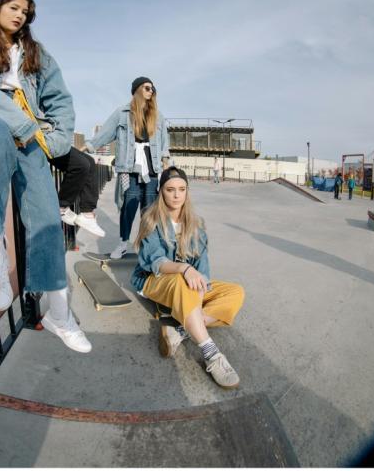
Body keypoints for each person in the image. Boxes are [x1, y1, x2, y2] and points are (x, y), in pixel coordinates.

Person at [0, 0, 91, 353]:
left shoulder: (39, 57)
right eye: (14, 8)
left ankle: (58, 312)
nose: (20, 15)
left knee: (44, 214)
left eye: (26, 12)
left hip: (31, 133)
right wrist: (19, 122)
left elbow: (61, 100)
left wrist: (54, 142)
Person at [132, 167, 245, 388]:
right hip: (152, 280)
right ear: (161, 192)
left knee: (235, 292)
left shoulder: (197, 224)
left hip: (184, 284)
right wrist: (184, 268)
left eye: (182, 189)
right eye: (170, 189)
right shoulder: (151, 219)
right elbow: (156, 262)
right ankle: (212, 354)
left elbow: (202, 268)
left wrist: (201, 286)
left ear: (187, 192)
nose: (176, 195)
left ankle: (182, 328)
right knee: (181, 281)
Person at [87, 76, 171, 259]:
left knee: (149, 211)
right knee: (128, 207)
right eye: (147, 88)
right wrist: (88, 146)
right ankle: (123, 243)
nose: (151, 91)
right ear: (137, 89)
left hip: (152, 170)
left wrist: (165, 163)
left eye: (153, 89)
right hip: (129, 169)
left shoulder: (158, 115)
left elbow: (165, 143)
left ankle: (147, 247)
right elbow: (105, 133)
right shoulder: (122, 112)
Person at [55, 147, 105, 237]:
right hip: (45, 139)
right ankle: (62, 207)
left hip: (58, 139)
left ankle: (87, 214)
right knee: (81, 165)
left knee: (90, 161)